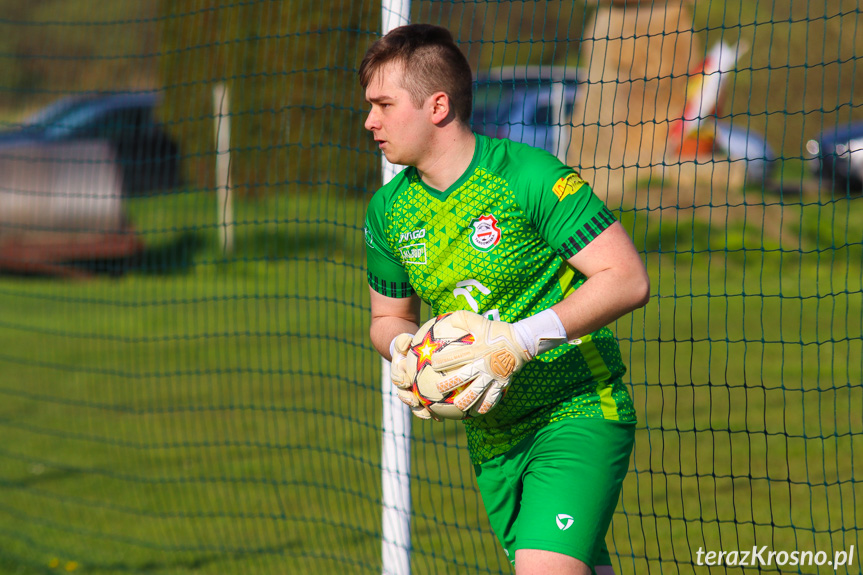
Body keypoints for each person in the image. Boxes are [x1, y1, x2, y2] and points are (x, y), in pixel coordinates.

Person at [360, 23, 650, 575]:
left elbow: (626, 277)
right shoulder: (388, 212)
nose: (370, 121)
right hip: (492, 440)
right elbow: (388, 316)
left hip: (576, 410)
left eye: (383, 104)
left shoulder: (530, 177)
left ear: (437, 105)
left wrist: (515, 343)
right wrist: (412, 354)